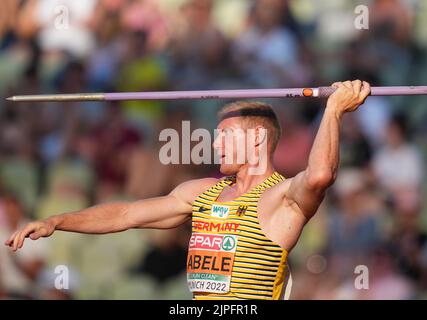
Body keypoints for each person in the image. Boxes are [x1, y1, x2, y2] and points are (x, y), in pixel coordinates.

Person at [5, 80, 371, 300]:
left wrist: (333, 110)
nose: (216, 145)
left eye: (226, 136)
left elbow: (321, 175)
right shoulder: (201, 193)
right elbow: (126, 214)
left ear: (257, 138)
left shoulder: (281, 198)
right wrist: (59, 220)